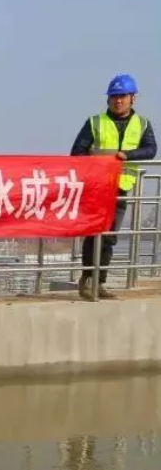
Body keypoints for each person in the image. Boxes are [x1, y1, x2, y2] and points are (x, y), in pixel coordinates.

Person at [70, 73, 157, 301]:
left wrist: (127, 155)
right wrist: (97, 162)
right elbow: (77, 152)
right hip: (97, 187)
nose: (118, 101)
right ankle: (88, 278)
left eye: (122, 96)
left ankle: (100, 283)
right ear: (108, 99)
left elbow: (151, 149)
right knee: (94, 233)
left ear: (132, 98)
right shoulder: (95, 122)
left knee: (109, 237)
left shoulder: (142, 124)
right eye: (114, 96)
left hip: (120, 188)